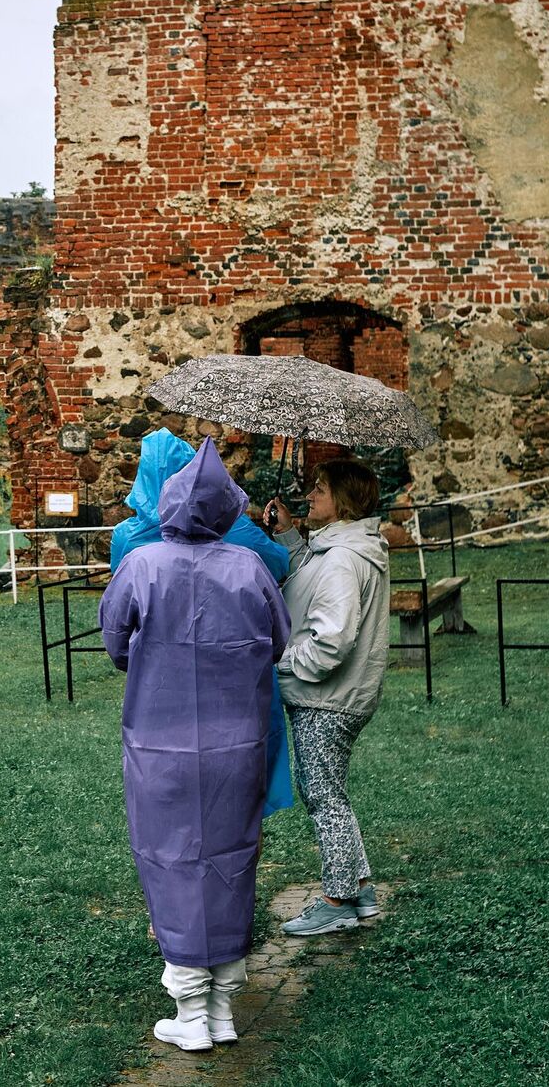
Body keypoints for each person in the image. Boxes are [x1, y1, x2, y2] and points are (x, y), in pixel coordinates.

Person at [101, 439, 290, 1052]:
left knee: (169, 858)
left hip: (159, 748)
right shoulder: (250, 566)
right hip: (237, 746)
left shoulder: (142, 564)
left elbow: (115, 641)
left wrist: (154, 664)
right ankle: (224, 1007)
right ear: (224, 508)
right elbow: (279, 639)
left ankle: (190, 1011)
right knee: (233, 856)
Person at [110, 429, 295, 816]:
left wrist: (143, 658)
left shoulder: (127, 543)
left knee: (165, 795)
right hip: (236, 685)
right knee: (242, 790)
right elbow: (279, 581)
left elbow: (117, 631)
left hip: (159, 689)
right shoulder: (238, 539)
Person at [260, 457, 391, 936]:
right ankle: (358, 887)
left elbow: (332, 640)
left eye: (320, 489)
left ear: (343, 502)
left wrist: (283, 661)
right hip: (340, 695)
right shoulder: (343, 547)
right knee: (331, 793)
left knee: (324, 797)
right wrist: (291, 536)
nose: (311, 495)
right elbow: (307, 578)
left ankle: (337, 900)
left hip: (327, 697)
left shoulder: (341, 558)